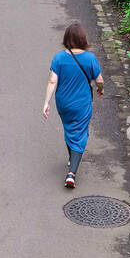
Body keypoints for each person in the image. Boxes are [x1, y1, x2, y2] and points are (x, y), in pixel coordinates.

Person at [43, 23, 104, 188]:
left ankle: (72, 157)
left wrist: (46, 102)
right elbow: (99, 80)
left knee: (69, 128)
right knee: (80, 132)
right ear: (83, 39)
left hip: (63, 103)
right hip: (82, 103)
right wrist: (100, 89)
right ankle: (72, 173)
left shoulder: (59, 58)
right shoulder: (90, 58)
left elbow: (52, 81)